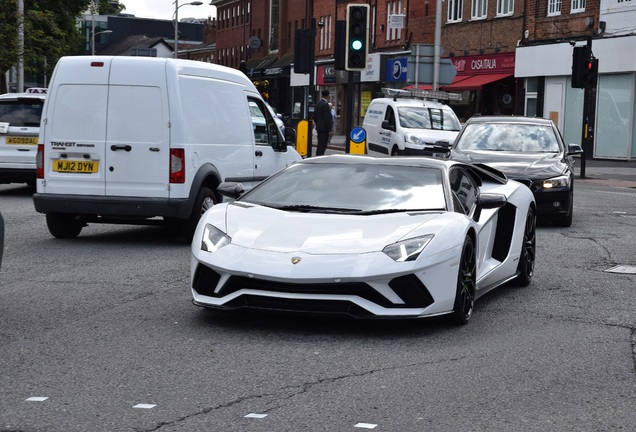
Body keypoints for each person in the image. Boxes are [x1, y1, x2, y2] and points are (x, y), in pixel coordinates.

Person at [314, 89, 333, 156]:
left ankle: (317, 156)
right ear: (328, 96)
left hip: (319, 128)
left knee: (319, 145)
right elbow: (327, 118)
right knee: (323, 145)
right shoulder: (325, 105)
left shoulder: (317, 104)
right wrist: (330, 129)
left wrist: (317, 124)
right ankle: (319, 157)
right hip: (324, 129)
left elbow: (315, 117)